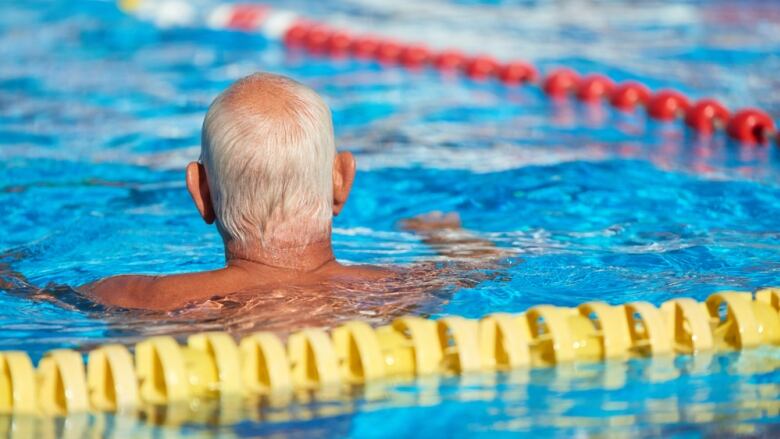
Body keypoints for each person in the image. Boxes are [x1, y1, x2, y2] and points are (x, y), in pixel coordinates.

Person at [1, 73, 507, 314]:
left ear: (201, 193)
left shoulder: (137, 296)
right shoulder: (404, 289)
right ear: (342, 180)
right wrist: (446, 237)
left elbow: (25, 293)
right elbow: (491, 266)